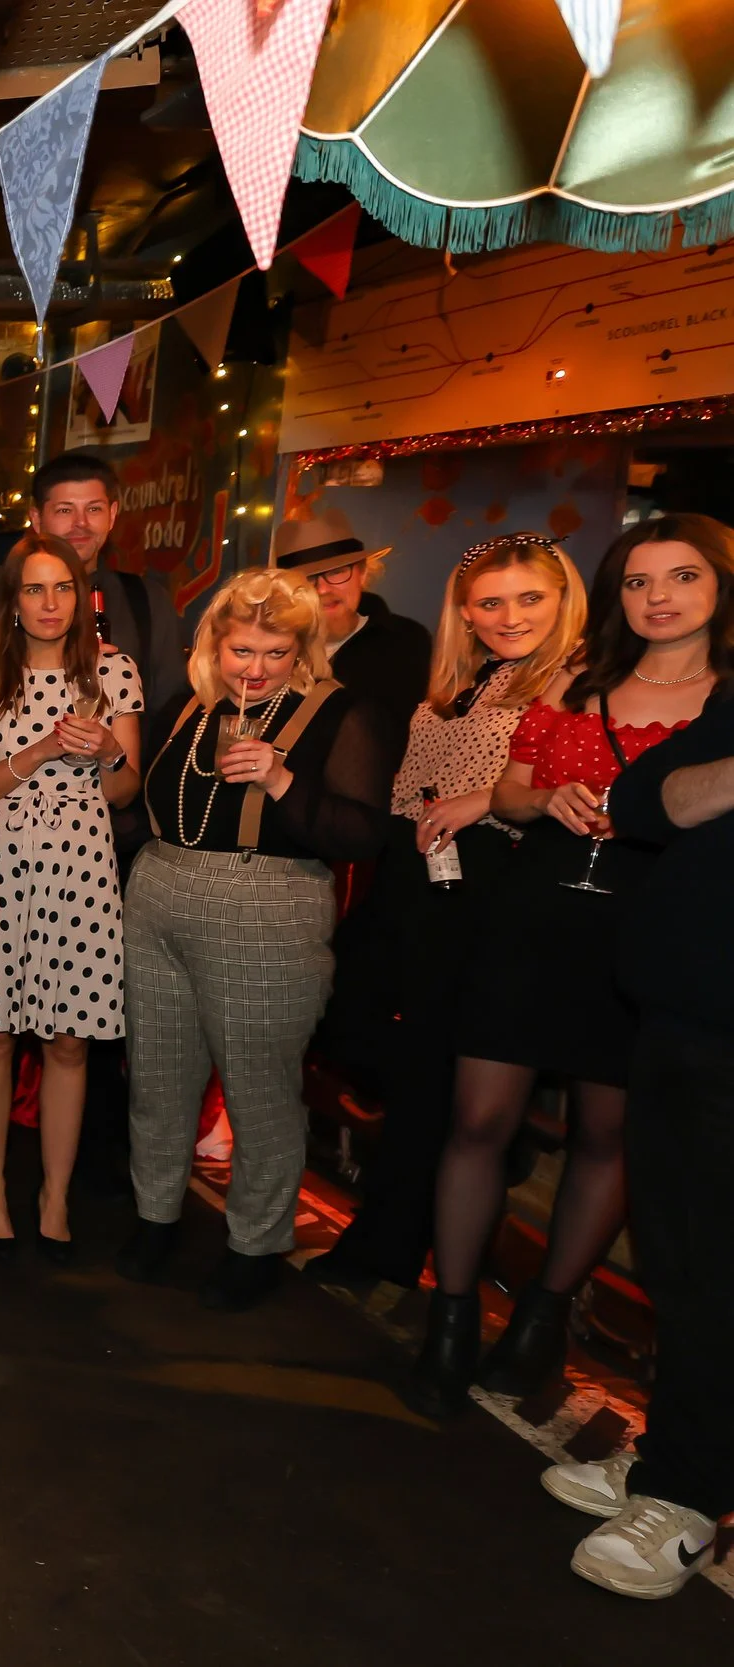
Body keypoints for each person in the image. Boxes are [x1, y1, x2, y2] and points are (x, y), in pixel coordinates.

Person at [407, 516, 733, 1416]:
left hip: (650, 924)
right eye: (637, 580)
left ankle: (542, 1321)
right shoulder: (582, 678)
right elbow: (508, 788)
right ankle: (450, 1315)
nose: (658, 597)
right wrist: (546, 796)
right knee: (478, 1118)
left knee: (603, 1134)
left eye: (681, 577)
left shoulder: (728, 701)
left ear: (720, 588)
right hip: (537, 907)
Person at [308, 534, 584, 1290]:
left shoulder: (574, 678)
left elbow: (563, 789)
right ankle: (401, 1229)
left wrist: (485, 801)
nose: (510, 615)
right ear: (464, 611)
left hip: (493, 886)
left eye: (530, 597)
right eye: (490, 601)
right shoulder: (463, 678)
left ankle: (394, 1243)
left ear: (563, 601)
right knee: (360, 1030)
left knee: (437, 1079)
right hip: (417, 874)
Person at [119, 567, 392, 1310]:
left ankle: (257, 1242)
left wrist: (278, 778)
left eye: (277, 652)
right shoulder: (190, 707)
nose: (258, 668)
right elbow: (150, 810)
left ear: (304, 649)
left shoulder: (341, 714)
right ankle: (155, 1216)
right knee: (158, 1078)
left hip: (267, 903)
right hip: (159, 893)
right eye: (244, 650)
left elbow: (363, 834)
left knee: (258, 1087)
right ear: (216, 642)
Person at [552, 669, 734, 1598]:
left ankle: (689, 1498)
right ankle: (676, 1457)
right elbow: (643, 800)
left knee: (715, 1268)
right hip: (678, 1017)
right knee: (676, 1262)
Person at [0, 534, 145, 1260]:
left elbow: (125, 790)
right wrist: (38, 752)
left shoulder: (113, 672)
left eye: (62, 588)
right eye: (35, 589)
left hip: (83, 871)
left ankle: (55, 1193)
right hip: (0, 868)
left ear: (82, 597)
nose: (50, 603)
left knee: (69, 1041)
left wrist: (108, 753)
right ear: (14, 600)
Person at [0, 451, 186, 717]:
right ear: (37, 519)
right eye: (65, 510)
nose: (81, 523)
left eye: (94, 509)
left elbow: (169, 708)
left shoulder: (145, 600)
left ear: (112, 515)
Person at [270, 508, 433, 748]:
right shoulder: (269, 643)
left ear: (363, 572)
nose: (323, 589)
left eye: (337, 572)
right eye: (308, 578)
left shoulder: (405, 640)